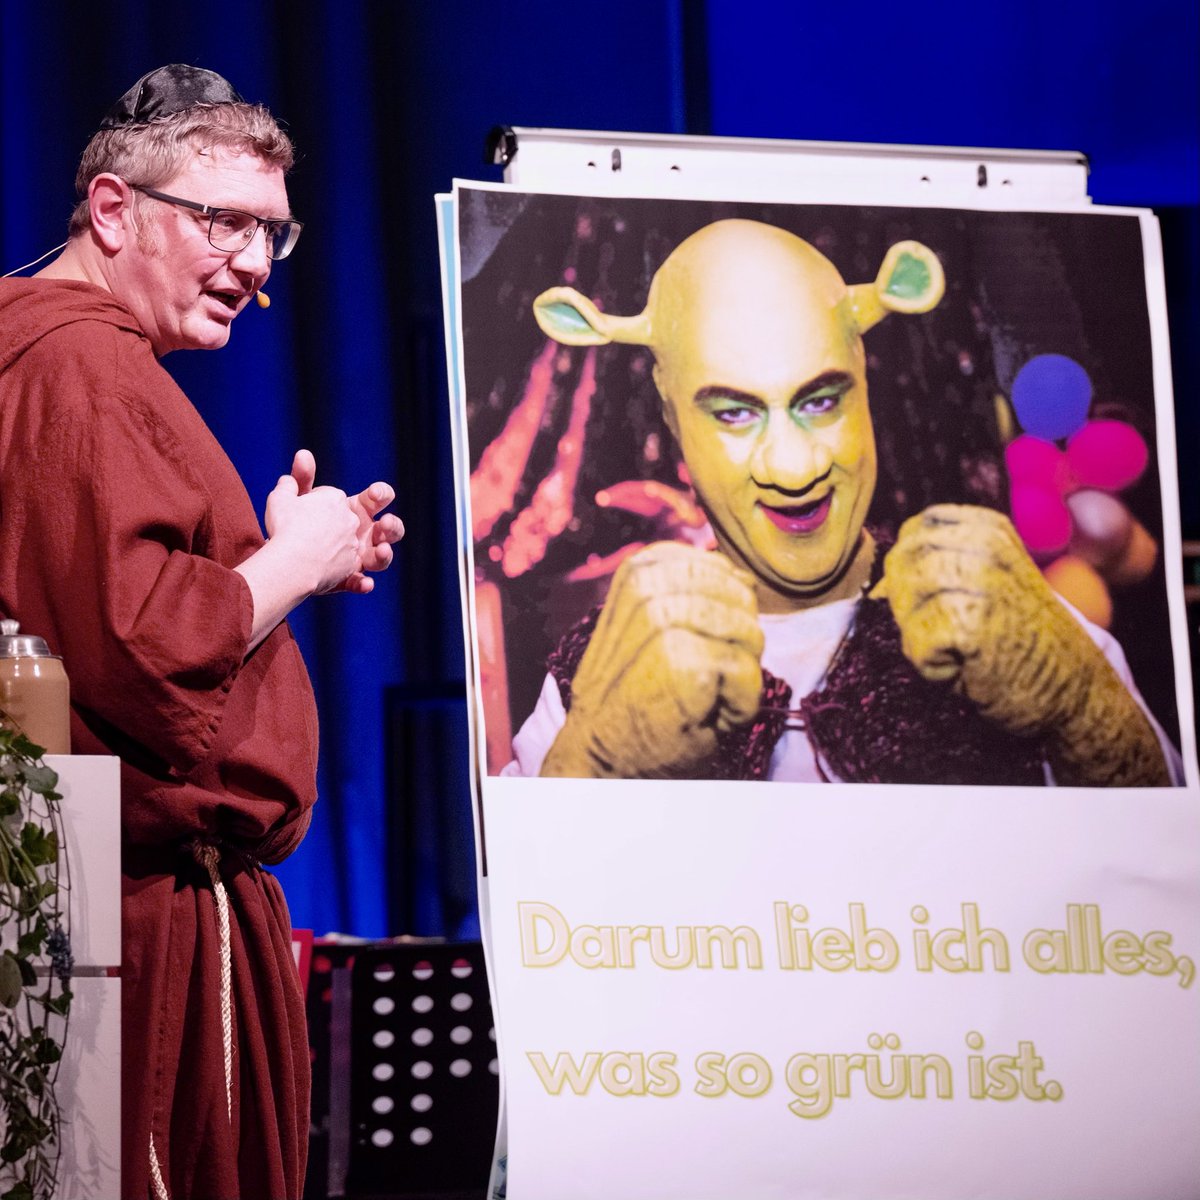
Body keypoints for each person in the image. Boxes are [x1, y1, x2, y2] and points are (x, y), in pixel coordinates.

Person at [0, 65, 403, 1199]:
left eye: (276, 232)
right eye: (224, 220)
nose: (259, 263)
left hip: (94, 897)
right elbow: (141, 644)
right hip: (135, 923)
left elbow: (78, 614)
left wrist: (275, 571)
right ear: (114, 209)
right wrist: (292, 561)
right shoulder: (83, 363)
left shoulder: (47, 358)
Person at [506, 219, 1176, 787]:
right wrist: (593, 756)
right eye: (735, 414)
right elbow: (527, 915)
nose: (795, 468)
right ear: (671, 416)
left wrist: (1084, 708)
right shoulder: (603, 667)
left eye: (821, 400)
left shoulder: (1017, 616)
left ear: (864, 383)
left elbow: (1168, 886)